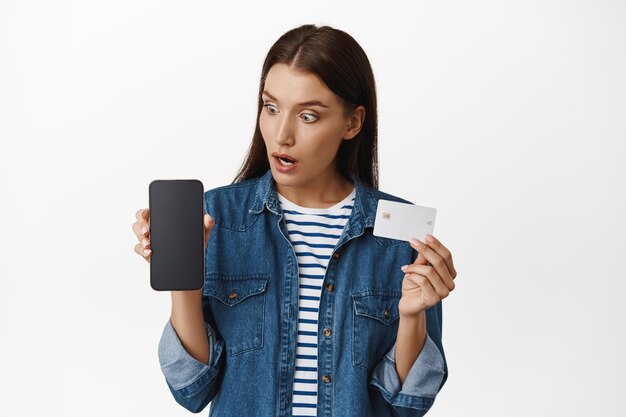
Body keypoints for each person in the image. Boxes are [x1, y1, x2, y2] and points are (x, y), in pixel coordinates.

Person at [132, 23, 457, 417]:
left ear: (352, 123)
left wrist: (412, 317)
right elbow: (191, 391)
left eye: (308, 116)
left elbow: (406, 407)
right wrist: (184, 281)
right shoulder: (217, 218)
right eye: (271, 108)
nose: (281, 134)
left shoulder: (400, 230)